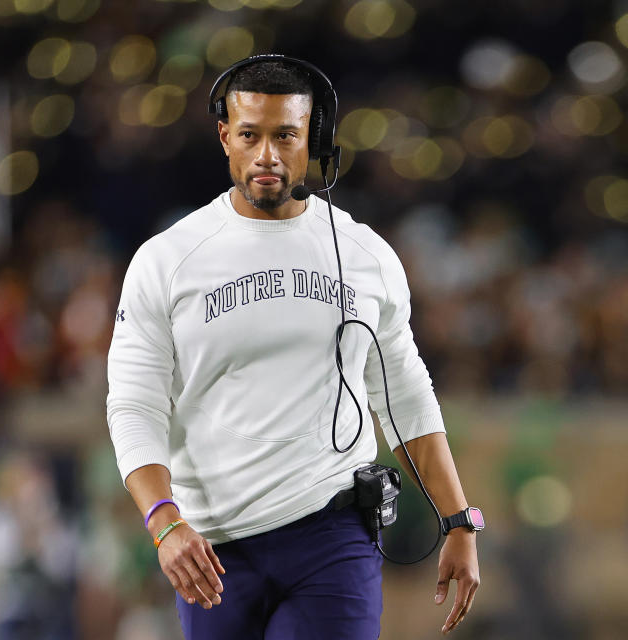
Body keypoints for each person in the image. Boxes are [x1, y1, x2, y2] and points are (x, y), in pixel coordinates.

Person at [106, 55, 481, 639]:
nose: (267, 156)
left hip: (331, 533)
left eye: (286, 136)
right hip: (212, 548)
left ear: (316, 141)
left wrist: (459, 520)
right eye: (250, 135)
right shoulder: (166, 260)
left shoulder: (364, 254)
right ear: (225, 137)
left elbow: (404, 394)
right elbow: (134, 406)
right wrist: (163, 523)